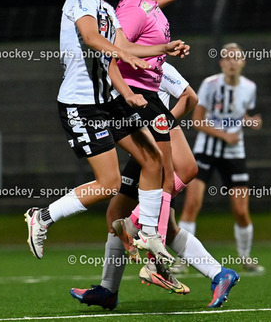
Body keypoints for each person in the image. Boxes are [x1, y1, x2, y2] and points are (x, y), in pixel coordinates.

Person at [26, 0, 187, 263]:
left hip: (110, 102)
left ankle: (151, 236)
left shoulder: (107, 10)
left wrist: (154, 58)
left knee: (153, 159)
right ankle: (42, 217)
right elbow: (90, 37)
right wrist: (123, 55)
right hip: (82, 105)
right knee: (109, 183)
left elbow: (119, 52)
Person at [70, 62, 240, 310]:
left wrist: (163, 123)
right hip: (144, 152)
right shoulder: (118, 65)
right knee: (148, 223)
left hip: (154, 150)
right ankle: (219, 273)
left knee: (123, 217)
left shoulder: (151, 64)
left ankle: (113, 285)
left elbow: (190, 97)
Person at [178, 42, 264, 272]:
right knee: (192, 204)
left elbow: (238, 112)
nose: (232, 62)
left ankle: (245, 257)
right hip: (206, 150)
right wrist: (224, 135)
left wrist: (250, 121)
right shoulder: (209, 84)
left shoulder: (249, 87)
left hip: (235, 153)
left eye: (236, 58)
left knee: (241, 210)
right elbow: (197, 121)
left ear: (243, 62)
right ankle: (181, 259)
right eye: (227, 58)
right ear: (221, 63)